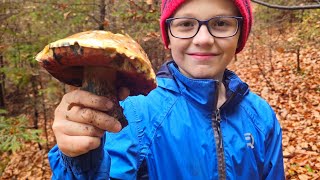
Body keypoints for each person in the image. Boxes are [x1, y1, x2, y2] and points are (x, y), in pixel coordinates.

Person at [48, 0, 285, 179]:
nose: (203, 39)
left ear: (240, 36)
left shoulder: (261, 117)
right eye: (185, 24)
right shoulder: (133, 112)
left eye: (221, 23)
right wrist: (78, 161)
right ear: (168, 37)